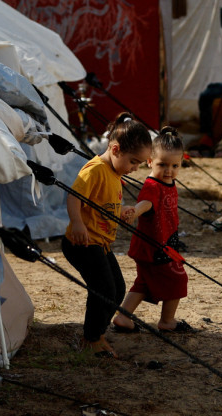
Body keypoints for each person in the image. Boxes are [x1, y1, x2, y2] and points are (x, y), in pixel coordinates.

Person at [61, 112, 151, 358]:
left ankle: (97, 332)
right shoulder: (96, 169)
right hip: (82, 242)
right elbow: (73, 197)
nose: (134, 169)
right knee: (102, 289)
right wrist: (77, 223)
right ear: (115, 148)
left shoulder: (114, 173)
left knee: (117, 289)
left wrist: (121, 211)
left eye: (139, 164)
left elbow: (101, 203)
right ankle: (91, 338)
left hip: (101, 243)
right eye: (133, 162)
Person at [111, 127, 194, 333]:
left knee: (143, 283)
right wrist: (135, 212)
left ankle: (123, 317)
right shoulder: (152, 185)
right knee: (177, 279)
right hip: (154, 248)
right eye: (162, 165)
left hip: (160, 244)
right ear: (149, 162)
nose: (169, 170)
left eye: (175, 165)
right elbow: (146, 202)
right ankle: (167, 321)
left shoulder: (168, 181)